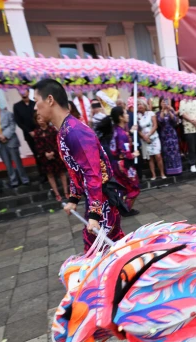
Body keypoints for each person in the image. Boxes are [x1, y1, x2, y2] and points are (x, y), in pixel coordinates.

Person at [33, 79, 125, 252]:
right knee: (105, 252)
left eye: (37, 101)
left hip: (102, 200)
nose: (35, 108)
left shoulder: (75, 131)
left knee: (105, 252)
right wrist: (74, 199)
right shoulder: (63, 131)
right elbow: (75, 170)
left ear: (50, 100)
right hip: (95, 199)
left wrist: (94, 214)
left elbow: (93, 173)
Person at [97, 106, 141, 214]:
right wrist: (133, 154)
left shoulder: (115, 130)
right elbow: (124, 153)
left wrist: (130, 132)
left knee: (122, 187)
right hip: (123, 165)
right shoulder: (121, 134)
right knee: (134, 187)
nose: (127, 115)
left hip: (115, 164)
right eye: (125, 113)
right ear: (121, 117)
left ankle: (118, 209)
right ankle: (125, 209)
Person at [0, 94, 30, 188]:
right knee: (7, 163)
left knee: (17, 161)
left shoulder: (8, 113)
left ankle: (24, 179)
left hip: (11, 140)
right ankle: (14, 181)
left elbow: (12, 126)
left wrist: (5, 135)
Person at [33, 113, 69, 201]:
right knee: (50, 175)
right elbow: (37, 145)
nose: (40, 120)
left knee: (62, 173)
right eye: (38, 119)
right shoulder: (37, 132)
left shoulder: (52, 129)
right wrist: (45, 154)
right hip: (44, 156)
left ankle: (66, 192)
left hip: (56, 154)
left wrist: (53, 152)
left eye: (42, 118)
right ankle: (57, 194)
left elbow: (57, 141)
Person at [13, 90, 42, 181]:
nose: (23, 93)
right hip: (29, 135)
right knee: (36, 154)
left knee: (44, 153)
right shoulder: (17, 106)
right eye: (21, 92)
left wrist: (37, 130)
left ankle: (51, 173)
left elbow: (40, 116)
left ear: (28, 92)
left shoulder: (35, 103)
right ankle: (42, 174)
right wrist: (29, 131)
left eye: (25, 91)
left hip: (40, 133)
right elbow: (18, 122)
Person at [137, 97, 166, 180]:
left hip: (153, 137)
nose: (139, 106)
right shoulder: (136, 116)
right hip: (144, 139)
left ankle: (162, 173)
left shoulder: (151, 113)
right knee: (150, 158)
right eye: (138, 104)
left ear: (145, 105)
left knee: (158, 155)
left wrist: (149, 135)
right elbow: (138, 129)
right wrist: (143, 136)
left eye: (141, 104)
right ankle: (153, 175)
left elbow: (155, 125)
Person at [156, 98, 182, 176]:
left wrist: (170, 111)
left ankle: (177, 170)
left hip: (172, 135)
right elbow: (160, 120)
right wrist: (163, 111)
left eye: (166, 102)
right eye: (163, 102)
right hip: (164, 136)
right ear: (160, 103)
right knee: (166, 153)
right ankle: (169, 171)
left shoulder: (171, 111)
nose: (164, 103)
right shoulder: (158, 113)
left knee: (175, 152)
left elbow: (174, 120)